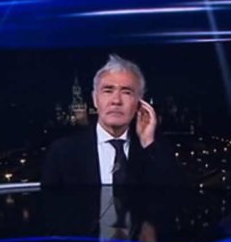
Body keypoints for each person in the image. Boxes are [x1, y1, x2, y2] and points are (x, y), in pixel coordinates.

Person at [41, 54, 182, 187]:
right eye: (108, 91)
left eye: (126, 92)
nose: (116, 101)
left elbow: (173, 197)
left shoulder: (155, 150)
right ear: (95, 99)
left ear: (140, 102)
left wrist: (148, 142)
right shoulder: (62, 152)